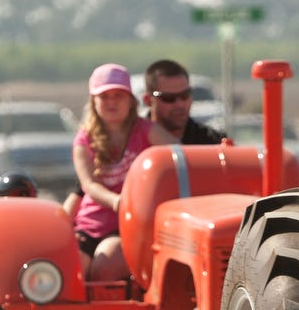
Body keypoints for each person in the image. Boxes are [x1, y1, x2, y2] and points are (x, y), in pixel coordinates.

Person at [70, 63, 177, 280]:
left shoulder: (145, 131)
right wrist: (118, 201)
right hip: (90, 225)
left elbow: (178, 155)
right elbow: (89, 184)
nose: (111, 102)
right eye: (105, 96)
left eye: (118, 95)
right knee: (72, 269)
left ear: (130, 100)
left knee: (105, 265)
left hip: (128, 225)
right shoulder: (84, 139)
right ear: (93, 102)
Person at [141, 59, 225, 145]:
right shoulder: (131, 143)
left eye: (185, 95)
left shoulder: (213, 144)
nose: (180, 104)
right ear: (148, 101)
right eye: (169, 98)